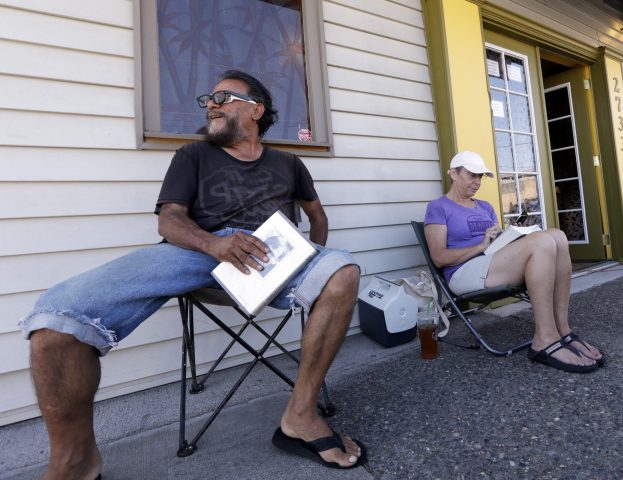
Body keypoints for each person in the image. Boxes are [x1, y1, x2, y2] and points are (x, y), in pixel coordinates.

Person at [19, 70, 367, 479]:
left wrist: (312, 255)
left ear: (256, 110)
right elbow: (169, 221)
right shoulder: (192, 155)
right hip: (197, 252)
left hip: (270, 256)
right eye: (208, 99)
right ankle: (74, 462)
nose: (211, 104)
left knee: (341, 270)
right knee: (56, 318)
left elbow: (316, 215)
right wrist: (213, 244)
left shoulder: (289, 163)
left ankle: (301, 417)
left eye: (223, 96)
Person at [423, 151, 605, 373]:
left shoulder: (485, 207)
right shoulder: (438, 207)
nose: (477, 182)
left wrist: (506, 238)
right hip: (464, 272)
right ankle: (544, 340)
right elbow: (439, 258)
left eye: (480, 176)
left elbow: (496, 247)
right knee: (541, 242)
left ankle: (563, 331)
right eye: (472, 175)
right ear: (453, 172)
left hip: (492, 262)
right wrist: (480, 246)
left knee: (557, 235)